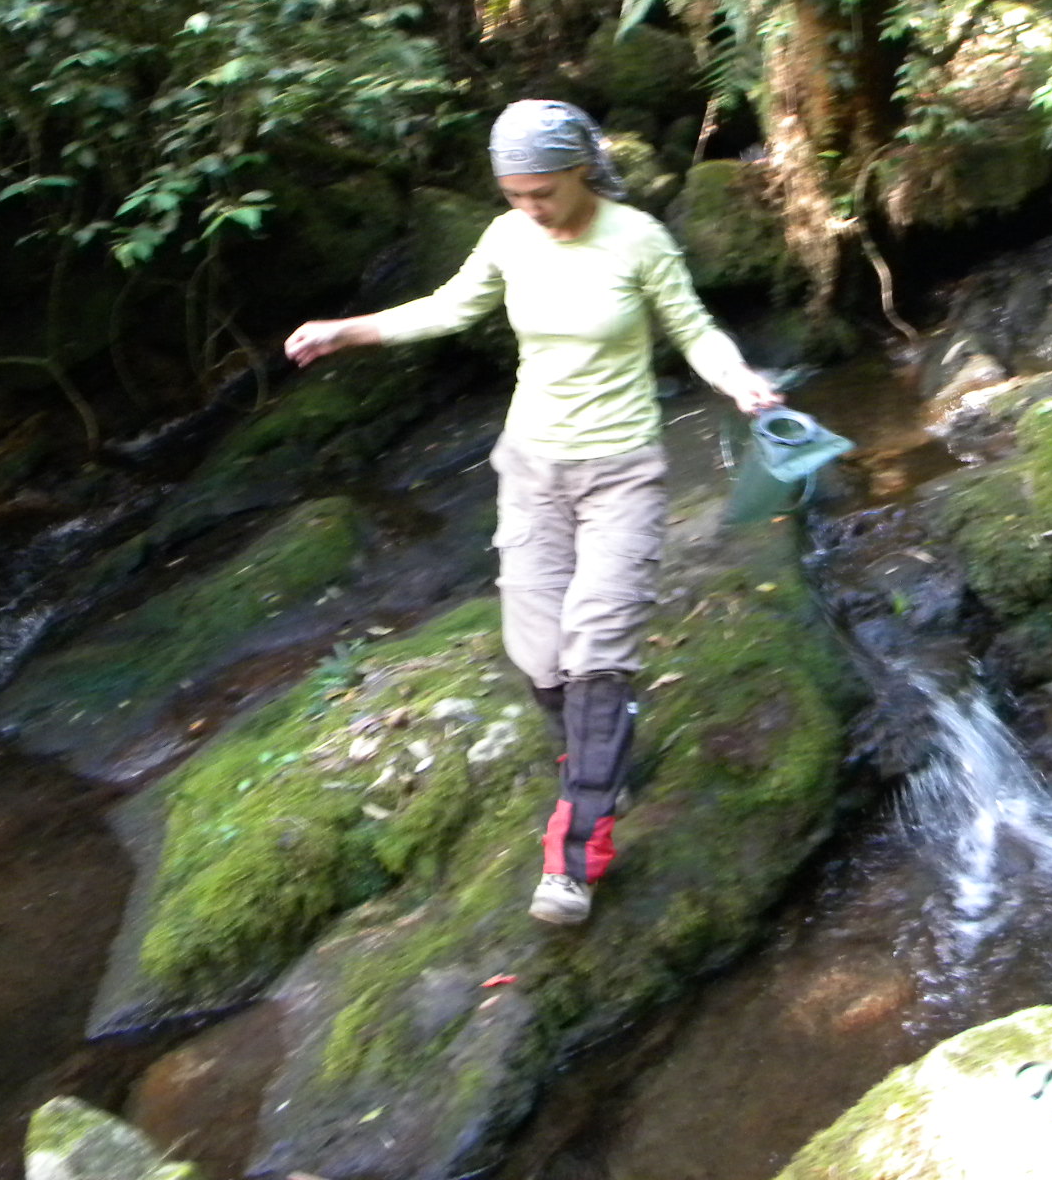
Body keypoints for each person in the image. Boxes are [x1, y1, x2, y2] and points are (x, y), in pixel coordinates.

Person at [284, 100, 781, 926]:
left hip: (620, 473)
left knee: (598, 648)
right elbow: (448, 308)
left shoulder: (637, 239)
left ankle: (576, 851)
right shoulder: (508, 237)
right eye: (514, 194)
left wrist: (738, 381)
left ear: (581, 170)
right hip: (530, 470)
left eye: (542, 192)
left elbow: (694, 330)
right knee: (540, 657)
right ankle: (597, 760)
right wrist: (349, 331)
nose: (530, 208)